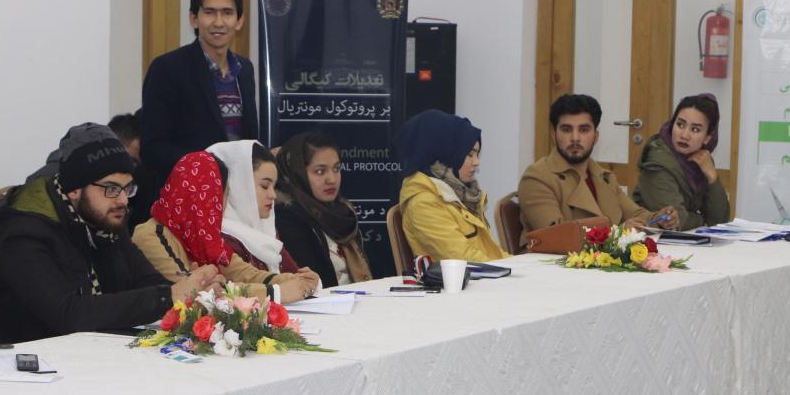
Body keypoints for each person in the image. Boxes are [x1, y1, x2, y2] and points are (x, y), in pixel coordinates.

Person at [0, 128, 221, 345]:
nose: (122, 200)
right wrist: (169, 297)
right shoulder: (22, 232)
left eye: (127, 188)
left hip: (78, 352)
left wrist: (192, 289)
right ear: (74, 189)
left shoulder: (105, 220)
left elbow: (147, 282)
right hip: (2, 361)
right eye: (111, 188)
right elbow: (67, 313)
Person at [133, 151, 318, 302]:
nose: (222, 205)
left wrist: (298, 280)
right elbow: (195, 293)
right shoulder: (151, 235)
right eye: (222, 195)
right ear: (205, 197)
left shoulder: (205, 237)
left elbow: (245, 274)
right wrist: (275, 292)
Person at [139, 0, 258, 208]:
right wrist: (209, 165)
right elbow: (153, 148)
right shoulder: (167, 68)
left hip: (236, 199)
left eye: (227, 13)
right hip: (187, 199)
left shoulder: (245, 69)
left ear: (239, 21)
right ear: (194, 19)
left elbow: (248, 138)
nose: (219, 22)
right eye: (209, 12)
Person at [518, 94, 677, 246]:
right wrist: (617, 234)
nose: (575, 138)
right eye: (566, 130)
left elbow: (636, 214)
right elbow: (556, 237)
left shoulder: (604, 177)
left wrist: (660, 219)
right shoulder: (537, 178)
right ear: (554, 135)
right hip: (551, 263)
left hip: (598, 262)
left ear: (596, 136)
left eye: (584, 130)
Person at [396, 109, 507, 262]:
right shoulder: (424, 203)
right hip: (468, 277)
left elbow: (493, 253)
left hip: (488, 275)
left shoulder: (463, 194)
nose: (476, 162)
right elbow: (463, 260)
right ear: (446, 154)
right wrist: (515, 270)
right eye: (470, 154)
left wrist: (523, 267)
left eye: (477, 154)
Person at [274, 132, 372, 287]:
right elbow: (314, 282)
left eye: (336, 169)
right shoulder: (286, 217)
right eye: (320, 171)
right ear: (298, 173)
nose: (331, 179)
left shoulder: (342, 213)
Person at [206, 140, 309, 276]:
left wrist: (308, 279)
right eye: (265, 186)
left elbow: (297, 277)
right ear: (238, 185)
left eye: (274, 187)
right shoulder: (219, 240)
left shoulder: (266, 229)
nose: (273, 195)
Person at [633, 93, 731, 230]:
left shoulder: (701, 160)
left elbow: (720, 220)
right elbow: (677, 220)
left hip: (685, 238)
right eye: (680, 125)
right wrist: (703, 220)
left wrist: (712, 177)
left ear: (707, 138)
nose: (684, 135)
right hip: (650, 239)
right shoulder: (657, 162)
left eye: (695, 129)